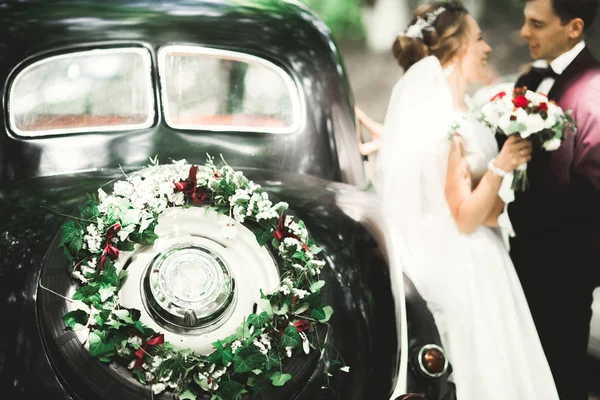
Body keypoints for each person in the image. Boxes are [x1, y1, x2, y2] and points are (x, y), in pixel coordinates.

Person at [377, 2, 560, 399]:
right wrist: (501, 164)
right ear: (457, 47)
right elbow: (463, 217)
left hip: (485, 251)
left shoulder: (460, 110)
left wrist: (495, 175)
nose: (487, 48)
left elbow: (481, 206)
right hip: (465, 264)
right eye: (478, 38)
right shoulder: (445, 120)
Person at [506, 1, 600, 399]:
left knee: (561, 375)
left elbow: (593, 190)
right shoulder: (530, 77)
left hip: (564, 269)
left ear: (574, 27)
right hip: (518, 256)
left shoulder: (593, 90)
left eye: (537, 24)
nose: (524, 32)